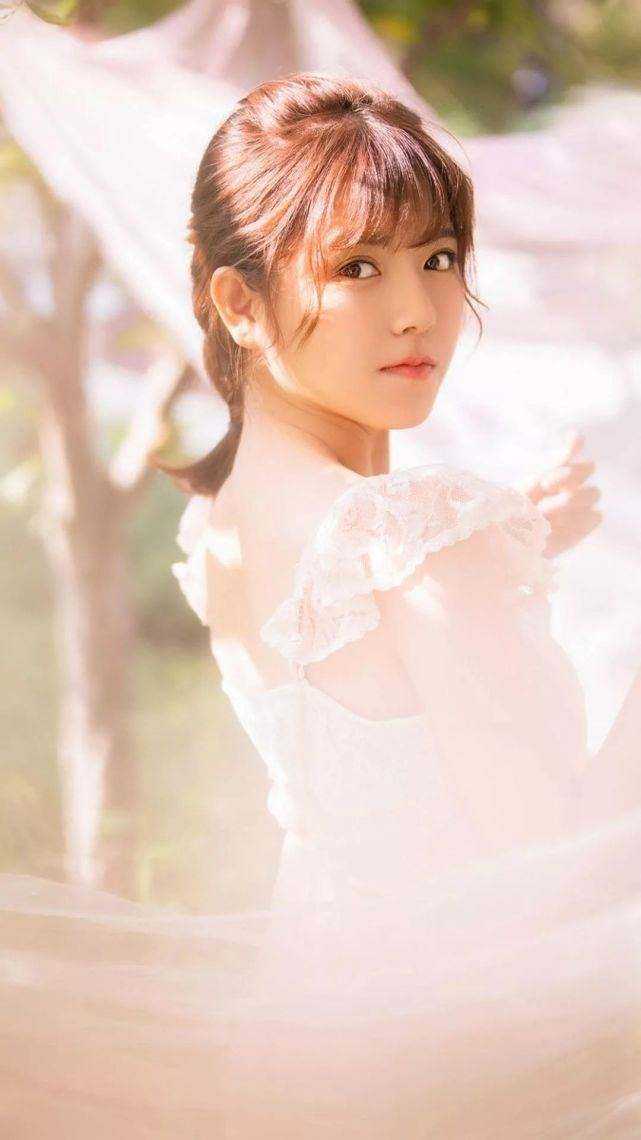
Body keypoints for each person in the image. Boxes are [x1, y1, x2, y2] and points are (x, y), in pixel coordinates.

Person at [2, 71, 641, 1138]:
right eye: (356, 267)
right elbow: (562, 879)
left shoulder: (223, 522)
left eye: (438, 257)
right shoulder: (418, 539)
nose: (416, 309)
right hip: (458, 1076)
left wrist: (503, 548)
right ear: (239, 303)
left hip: (303, 1038)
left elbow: (371, 688)